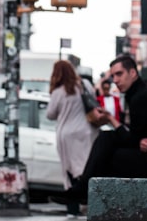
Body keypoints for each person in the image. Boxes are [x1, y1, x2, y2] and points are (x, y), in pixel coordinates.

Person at [54, 55, 147, 204]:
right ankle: (84, 190)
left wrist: (111, 120)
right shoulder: (137, 95)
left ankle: (84, 190)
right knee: (108, 141)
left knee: (110, 148)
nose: (116, 80)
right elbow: (136, 138)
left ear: (132, 73)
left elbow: (133, 140)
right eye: (113, 76)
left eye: (119, 74)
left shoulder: (141, 97)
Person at [46, 60, 100, 216]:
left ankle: (73, 209)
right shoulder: (85, 84)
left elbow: (50, 114)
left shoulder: (58, 92)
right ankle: (90, 204)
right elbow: (93, 101)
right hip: (87, 132)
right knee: (86, 168)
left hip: (67, 135)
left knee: (70, 171)